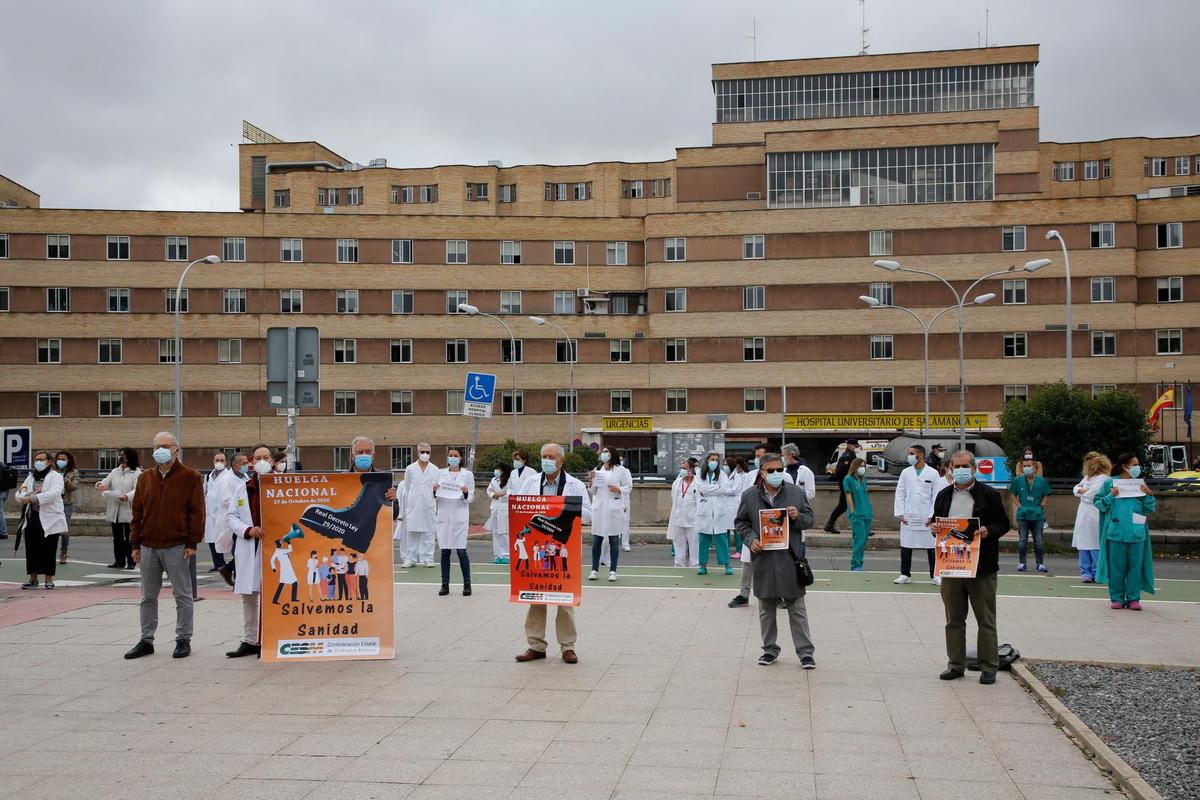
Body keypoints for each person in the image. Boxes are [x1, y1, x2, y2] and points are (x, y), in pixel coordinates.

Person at [125, 432, 205, 660]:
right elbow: (137, 512)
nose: (159, 449)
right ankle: (146, 640)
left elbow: (197, 513)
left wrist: (192, 542)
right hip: (148, 545)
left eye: (164, 445)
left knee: (183, 595)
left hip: (177, 545)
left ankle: (183, 639)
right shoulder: (146, 478)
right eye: (156, 446)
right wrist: (135, 543)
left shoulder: (191, 477)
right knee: (147, 596)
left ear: (176, 450)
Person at [934, 450, 1011, 685]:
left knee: (985, 620)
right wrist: (934, 529)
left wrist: (988, 531)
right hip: (952, 566)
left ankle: (989, 666)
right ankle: (955, 665)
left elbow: (1004, 523)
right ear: (950, 469)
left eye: (965, 466)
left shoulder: (988, 494)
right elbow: (937, 520)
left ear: (974, 468)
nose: (960, 470)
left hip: (982, 566)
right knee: (953, 619)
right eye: (956, 466)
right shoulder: (944, 495)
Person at [735, 453, 817, 668]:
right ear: (762, 472)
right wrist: (751, 540)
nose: (776, 474)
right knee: (766, 609)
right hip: (764, 559)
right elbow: (741, 523)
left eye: (779, 470)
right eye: (770, 471)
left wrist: (797, 516)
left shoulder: (796, 493)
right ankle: (769, 649)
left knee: (797, 608)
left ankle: (806, 653)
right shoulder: (750, 495)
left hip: (790, 559)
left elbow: (809, 520)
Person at [515, 443, 591, 665]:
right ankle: (536, 645)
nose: (546, 460)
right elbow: (518, 508)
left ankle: (568, 647)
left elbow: (587, 514)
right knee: (536, 597)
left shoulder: (575, 485)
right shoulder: (529, 482)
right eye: (543, 456)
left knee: (565, 599)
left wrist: (560, 511)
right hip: (536, 544)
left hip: (561, 545)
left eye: (551, 456)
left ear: (561, 460)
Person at [220, 443, 273, 658]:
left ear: (272, 461)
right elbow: (230, 516)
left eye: (266, 457)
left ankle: (269, 639)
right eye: (258, 457)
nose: (262, 461)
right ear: (252, 461)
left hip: (274, 548)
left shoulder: (284, 486)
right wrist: (248, 530)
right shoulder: (244, 487)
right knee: (249, 596)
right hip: (249, 546)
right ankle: (251, 641)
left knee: (273, 596)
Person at [1094, 453, 1156, 610]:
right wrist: (1111, 495)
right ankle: (1117, 598)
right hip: (1116, 532)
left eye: (1137, 464)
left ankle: (1134, 599)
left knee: (1135, 567)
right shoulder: (1110, 483)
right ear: (1125, 466)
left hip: (1137, 532)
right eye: (1134, 464)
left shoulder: (1139, 484)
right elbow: (1099, 504)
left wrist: (1148, 494)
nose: (1137, 467)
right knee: (1117, 568)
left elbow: (1149, 508)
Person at [15, 451, 67, 590]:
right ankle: (33, 578)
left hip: (50, 517)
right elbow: (19, 493)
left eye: (41, 459)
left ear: (49, 462)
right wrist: (25, 495)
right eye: (36, 460)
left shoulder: (56, 477)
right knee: (31, 548)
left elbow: (54, 493)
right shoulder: (31, 477)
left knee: (49, 548)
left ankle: (49, 579)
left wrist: (32, 498)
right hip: (32, 516)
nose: (38, 462)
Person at [893, 444, 944, 585]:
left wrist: (932, 516)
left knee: (931, 547)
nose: (909, 456)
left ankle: (935, 575)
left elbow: (936, 496)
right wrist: (900, 513)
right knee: (906, 545)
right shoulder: (905, 473)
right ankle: (905, 574)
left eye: (911, 453)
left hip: (926, 516)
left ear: (920, 454)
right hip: (908, 515)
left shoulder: (933, 473)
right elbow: (900, 493)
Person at [434, 447, 474, 596]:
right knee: (445, 551)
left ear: (461, 458)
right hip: (444, 517)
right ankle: (445, 585)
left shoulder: (467, 475)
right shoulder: (440, 473)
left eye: (455, 455)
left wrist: (465, 492)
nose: (452, 457)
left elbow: (471, 497)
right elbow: (435, 497)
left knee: (461, 551)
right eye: (450, 455)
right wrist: (434, 490)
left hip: (459, 517)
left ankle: (467, 584)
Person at [589, 445, 631, 581]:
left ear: (612, 454)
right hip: (599, 508)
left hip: (613, 508)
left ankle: (613, 571)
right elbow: (593, 491)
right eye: (602, 452)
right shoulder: (597, 470)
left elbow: (628, 487)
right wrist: (590, 480)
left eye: (606, 451)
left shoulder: (621, 470)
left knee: (613, 540)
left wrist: (618, 489)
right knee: (596, 540)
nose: (603, 453)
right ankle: (594, 569)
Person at [97, 447, 141, 569]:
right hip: (115, 508)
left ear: (130, 457)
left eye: (124, 455)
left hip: (128, 508)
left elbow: (137, 489)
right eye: (120, 455)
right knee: (117, 537)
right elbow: (105, 482)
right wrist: (100, 485)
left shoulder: (137, 473)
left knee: (129, 537)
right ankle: (119, 561)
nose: (121, 457)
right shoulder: (115, 471)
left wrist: (127, 496)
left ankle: (131, 561)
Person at [1071, 452, 1111, 584]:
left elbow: (1092, 496)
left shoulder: (1103, 478)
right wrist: (1081, 491)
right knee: (1083, 543)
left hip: (1094, 513)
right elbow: (1076, 488)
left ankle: (1096, 572)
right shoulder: (1087, 478)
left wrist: (1082, 492)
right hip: (1083, 513)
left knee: (1094, 543)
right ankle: (1086, 573)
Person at [1009, 452, 1051, 573]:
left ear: (1034, 467)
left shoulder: (1041, 481)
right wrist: (1019, 505)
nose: (1027, 468)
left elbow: (1046, 494)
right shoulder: (1018, 480)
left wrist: (1042, 506)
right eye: (1025, 466)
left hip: (1037, 515)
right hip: (1023, 514)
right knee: (1023, 539)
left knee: (1038, 540)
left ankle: (1040, 564)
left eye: (1029, 466)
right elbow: (1012, 493)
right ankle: (1022, 563)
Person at [696, 451, 734, 576]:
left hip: (719, 511)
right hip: (705, 510)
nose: (714, 462)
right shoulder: (699, 473)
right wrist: (716, 488)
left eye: (717, 460)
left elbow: (725, 489)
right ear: (707, 460)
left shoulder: (722, 473)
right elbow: (700, 489)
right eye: (712, 459)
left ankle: (727, 564)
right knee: (703, 539)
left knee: (722, 539)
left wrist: (709, 490)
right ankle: (702, 565)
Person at [402, 443, 439, 568]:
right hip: (414, 504)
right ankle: (410, 559)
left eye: (428, 452)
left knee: (428, 532)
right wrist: (411, 500)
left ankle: (428, 558)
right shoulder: (410, 469)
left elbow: (437, 489)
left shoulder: (435, 469)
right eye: (422, 451)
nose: (425, 454)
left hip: (428, 504)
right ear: (417, 453)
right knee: (412, 532)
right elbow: (407, 487)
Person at [666, 457, 700, 568]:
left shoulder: (697, 482)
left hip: (693, 519)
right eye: (681, 468)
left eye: (685, 468)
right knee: (678, 544)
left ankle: (694, 564)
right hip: (678, 518)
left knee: (694, 544)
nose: (682, 470)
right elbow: (673, 498)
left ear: (691, 469)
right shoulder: (677, 482)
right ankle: (679, 564)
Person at [203, 451, 232, 573]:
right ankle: (218, 563)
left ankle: (231, 563)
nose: (219, 463)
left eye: (222, 460)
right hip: (210, 513)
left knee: (226, 538)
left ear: (226, 462)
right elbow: (204, 492)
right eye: (217, 460)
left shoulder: (229, 475)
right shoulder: (208, 476)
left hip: (223, 512)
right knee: (211, 539)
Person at [842, 457, 872, 572]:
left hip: (866, 513)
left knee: (864, 540)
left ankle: (860, 563)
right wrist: (853, 511)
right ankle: (855, 565)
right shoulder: (848, 479)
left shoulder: (863, 480)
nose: (862, 468)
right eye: (860, 466)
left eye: (864, 466)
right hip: (857, 514)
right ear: (855, 466)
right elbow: (848, 496)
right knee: (859, 540)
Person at [823, 439, 860, 533]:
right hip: (846, 484)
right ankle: (861, 527)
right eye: (855, 446)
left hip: (847, 483)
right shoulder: (848, 456)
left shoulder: (849, 455)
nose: (856, 448)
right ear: (850, 445)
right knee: (848, 505)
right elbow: (841, 471)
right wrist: (832, 478)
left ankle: (830, 524)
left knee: (844, 506)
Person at [53, 450, 79, 564]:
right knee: (51, 529)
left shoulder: (74, 472)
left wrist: (66, 481)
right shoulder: (52, 470)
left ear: (68, 460)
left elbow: (74, 487)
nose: (60, 461)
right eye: (59, 459)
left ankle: (63, 552)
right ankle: (50, 552)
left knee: (64, 530)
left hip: (66, 503)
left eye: (63, 459)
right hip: (53, 503)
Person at [486, 464, 511, 564]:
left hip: (505, 508)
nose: (496, 471)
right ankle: (497, 555)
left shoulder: (510, 480)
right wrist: (494, 495)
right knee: (495, 533)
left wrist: (501, 494)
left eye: (498, 469)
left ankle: (506, 555)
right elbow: (489, 491)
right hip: (495, 508)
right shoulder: (494, 480)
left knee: (504, 532)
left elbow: (510, 493)